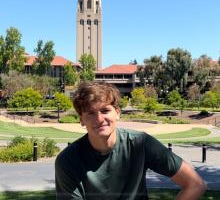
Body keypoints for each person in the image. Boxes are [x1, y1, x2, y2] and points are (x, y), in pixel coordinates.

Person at [55, 81, 206, 199]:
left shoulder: (140, 143)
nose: (99, 119)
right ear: (81, 120)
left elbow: (195, 184)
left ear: (117, 113)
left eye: (105, 110)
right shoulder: (68, 160)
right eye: (90, 113)